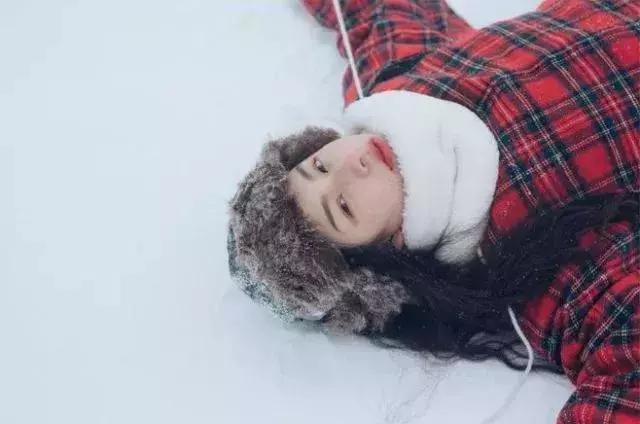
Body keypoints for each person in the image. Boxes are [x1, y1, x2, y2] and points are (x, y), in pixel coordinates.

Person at [227, 0, 639, 422]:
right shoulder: (530, 266)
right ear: (383, 254)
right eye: (344, 206)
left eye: (318, 166)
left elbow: (379, 10)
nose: (351, 163)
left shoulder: (399, 84)